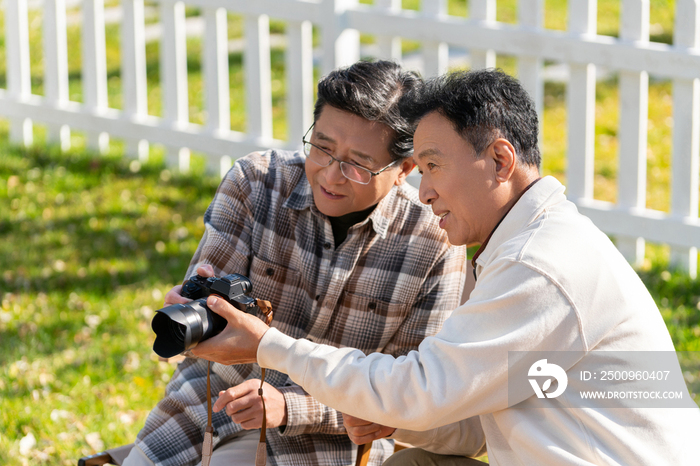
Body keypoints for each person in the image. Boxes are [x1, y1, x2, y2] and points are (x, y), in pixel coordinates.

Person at [190, 69, 700, 465]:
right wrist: (393, 424)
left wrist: (267, 345)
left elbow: (422, 389)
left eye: (433, 165)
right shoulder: (520, 246)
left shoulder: (540, 266)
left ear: (500, 161)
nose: (425, 190)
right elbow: (476, 428)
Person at [123, 60, 467, 466]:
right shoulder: (255, 183)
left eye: (357, 163)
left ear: (403, 170)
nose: (331, 174)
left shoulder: (434, 240)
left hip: (329, 440)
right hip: (210, 401)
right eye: (321, 147)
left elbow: (409, 393)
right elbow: (199, 333)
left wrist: (289, 407)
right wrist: (194, 312)